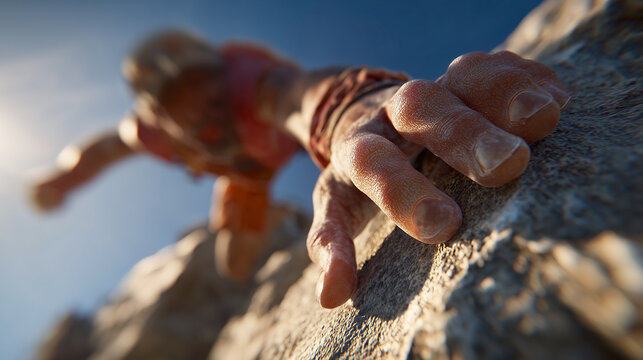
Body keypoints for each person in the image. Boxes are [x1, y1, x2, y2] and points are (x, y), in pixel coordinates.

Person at [30, 30, 571, 309]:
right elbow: (100, 150)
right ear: (157, 111)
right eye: (181, 98)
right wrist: (60, 181)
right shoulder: (147, 131)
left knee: (238, 242)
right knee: (235, 262)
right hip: (243, 176)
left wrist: (357, 111)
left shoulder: (247, 81)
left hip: (266, 152)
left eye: (207, 82)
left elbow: (299, 95)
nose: (206, 104)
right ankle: (257, 232)